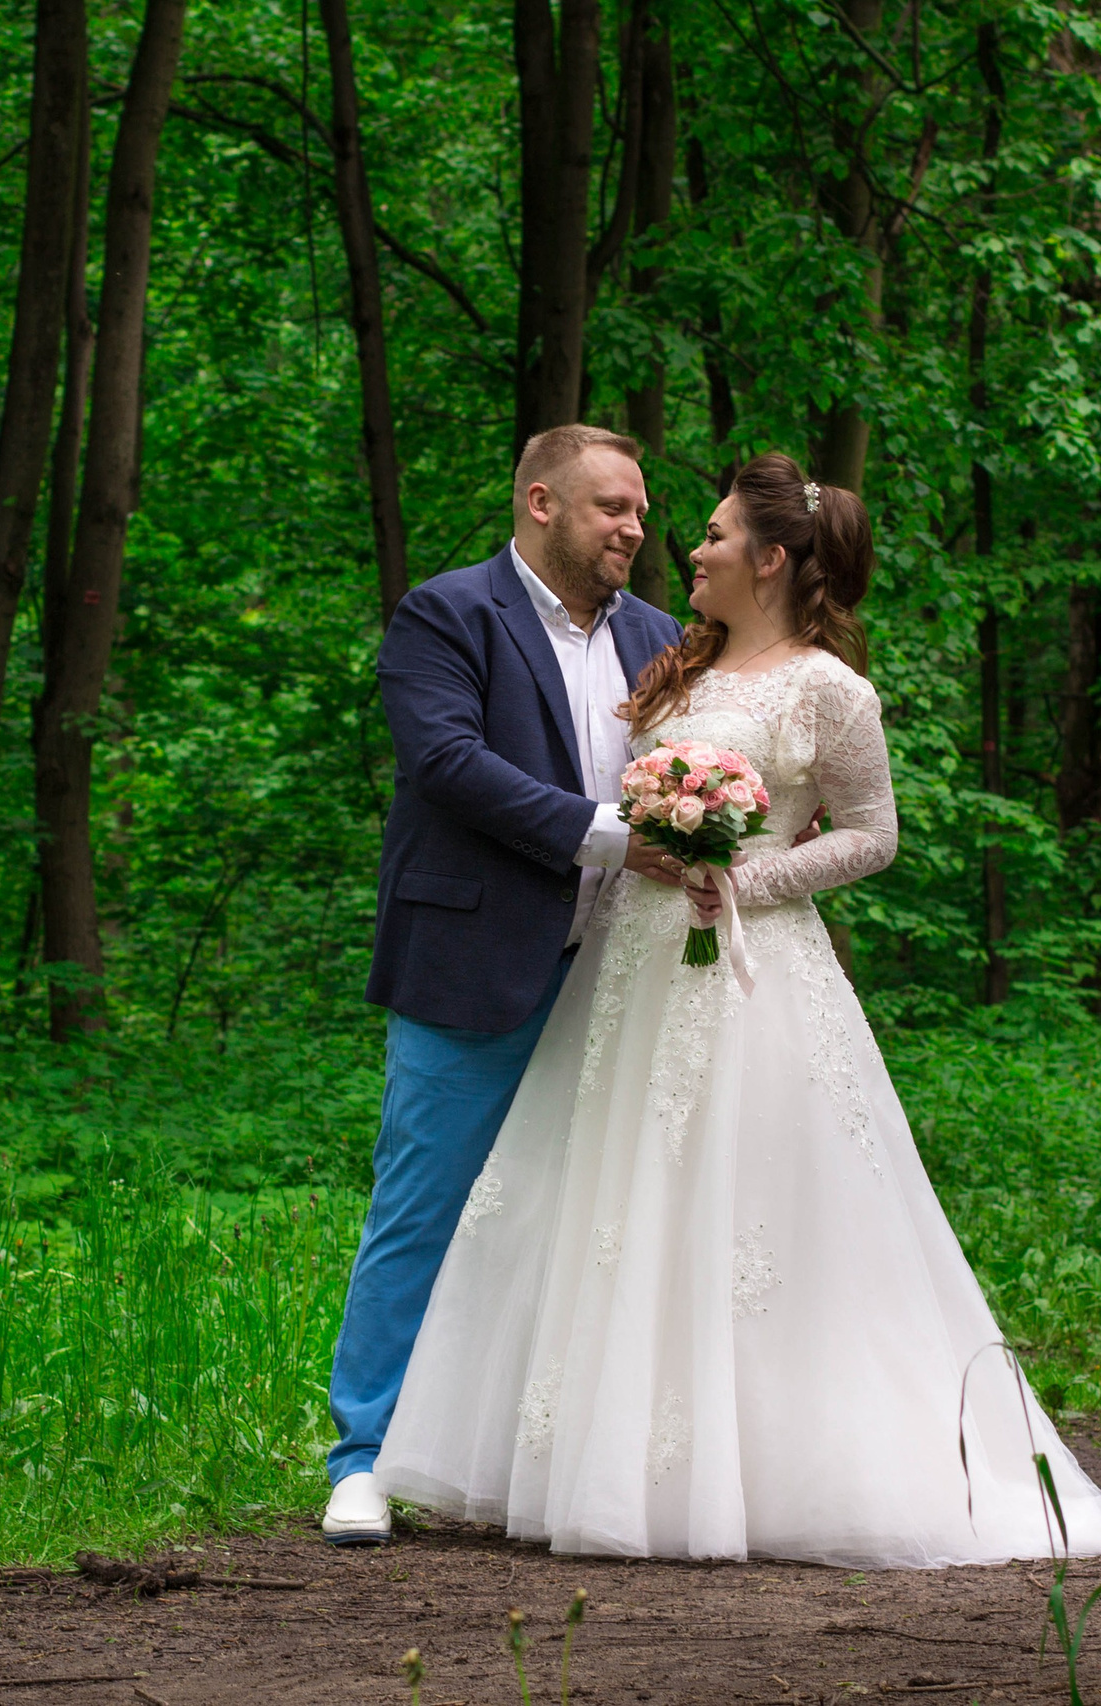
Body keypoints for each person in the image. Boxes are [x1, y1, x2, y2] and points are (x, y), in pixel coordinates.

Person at [369, 453, 1101, 1566]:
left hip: (752, 969)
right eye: (658, 520)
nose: (687, 544)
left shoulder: (831, 688)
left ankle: (772, 1461)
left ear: (771, 559)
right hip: (627, 967)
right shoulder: (677, 663)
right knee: (602, 1201)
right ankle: (586, 1456)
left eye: (715, 534)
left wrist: (746, 877)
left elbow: (873, 834)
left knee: (760, 1212)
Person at [322, 424, 687, 1545]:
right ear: (540, 503)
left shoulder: (664, 636)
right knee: (421, 1206)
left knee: (590, 1219)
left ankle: (531, 1454)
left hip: (619, 973)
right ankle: (362, 1454)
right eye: (610, 508)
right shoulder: (446, 614)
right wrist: (611, 834)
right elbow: (445, 761)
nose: (633, 528)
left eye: (637, 510)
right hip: (472, 961)